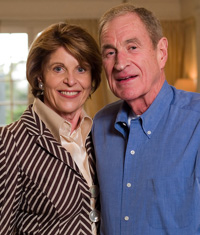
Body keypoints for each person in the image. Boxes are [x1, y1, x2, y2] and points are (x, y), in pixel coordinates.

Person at [92, 3, 200, 235]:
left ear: (161, 53)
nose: (120, 64)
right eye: (110, 52)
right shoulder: (99, 125)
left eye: (132, 47)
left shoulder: (197, 122)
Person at [0, 22, 102, 234]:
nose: (71, 80)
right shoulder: (9, 142)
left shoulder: (100, 135)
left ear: (91, 79)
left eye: (81, 69)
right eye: (58, 69)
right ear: (40, 77)